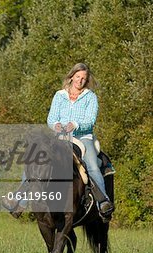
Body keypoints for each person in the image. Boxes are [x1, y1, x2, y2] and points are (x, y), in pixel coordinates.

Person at [47, 63, 114, 218]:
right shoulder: (59, 95)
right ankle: (20, 198)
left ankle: (103, 202)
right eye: (78, 77)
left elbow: (90, 121)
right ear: (71, 77)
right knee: (37, 157)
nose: (80, 80)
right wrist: (56, 125)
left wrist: (74, 125)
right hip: (61, 137)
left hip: (83, 138)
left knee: (91, 164)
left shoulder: (90, 97)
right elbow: (51, 118)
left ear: (87, 80)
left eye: (84, 78)